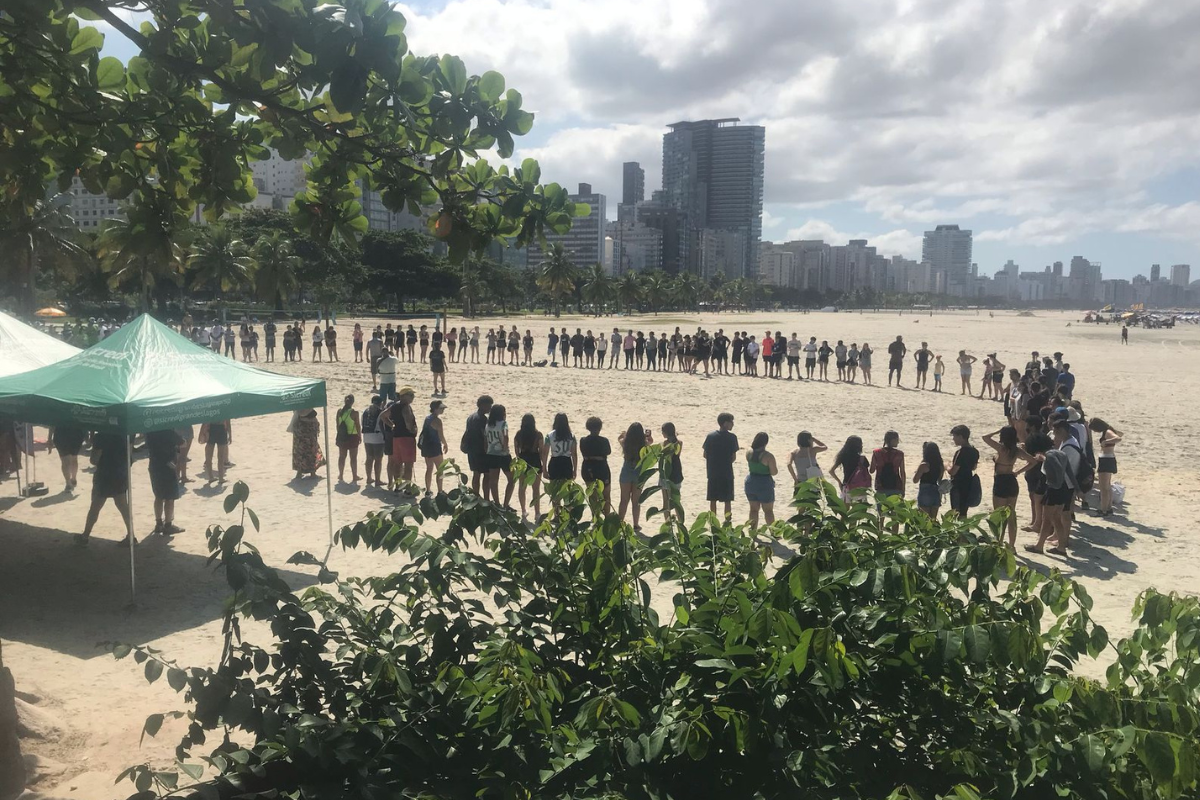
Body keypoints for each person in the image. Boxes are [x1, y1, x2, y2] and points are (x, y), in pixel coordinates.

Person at [1027, 420, 1081, 555]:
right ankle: (1061, 547)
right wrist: (1078, 489)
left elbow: (1056, 468)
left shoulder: (1049, 456)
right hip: (1063, 489)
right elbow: (1069, 472)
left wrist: (1045, 460)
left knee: (1047, 519)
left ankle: (1039, 546)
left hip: (1053, 489)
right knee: (1056, 519)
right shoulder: (1061, 453)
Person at [77, 432, 133, 545]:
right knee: (123, 506)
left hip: (104, 475)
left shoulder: (101, 436)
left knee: (95, 507)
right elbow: (129, 458)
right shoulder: (125, 434)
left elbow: (94, 460)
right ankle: (131, 535)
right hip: (120, 474)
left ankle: (85, 536)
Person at [982, 426, 1032, 548]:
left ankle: (999, 541)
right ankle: (1012, 545)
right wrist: (1018, 472)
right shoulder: (1017, 450)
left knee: (999, 515)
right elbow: (1033, 461)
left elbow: (985, 437)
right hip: (1011, 480)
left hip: (1001, 481)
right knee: (1011, 515)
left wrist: (997, 431)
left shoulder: (1001, 448)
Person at [146, 428, 184, 536]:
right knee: (169, 497)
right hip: (168, 466)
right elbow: (183, 443)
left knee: (158, 496)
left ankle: (158, 523)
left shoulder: (150, 432)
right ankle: (168, 525)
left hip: (154, 465)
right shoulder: (168, 431)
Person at [616, 423, 652, 530]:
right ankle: (636, 524)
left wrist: (624, 434)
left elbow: (619, 438)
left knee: (624, 500)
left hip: (626, 471)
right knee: (636, 502)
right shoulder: (644, 444)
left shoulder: (625, 443)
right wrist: (647, 436)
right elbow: (650, 441)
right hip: (639, 472)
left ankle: (620, 522)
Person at [702, 413, 739, 520]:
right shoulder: (732, 438)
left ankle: (713, 521)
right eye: (731, 422)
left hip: (712, 472)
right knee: (727, 500)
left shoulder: (711, 436)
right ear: (725, 423)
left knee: (713, 499)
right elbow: (733, 457)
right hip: (727, 473)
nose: (732, 424)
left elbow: (705, 454)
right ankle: (727, 521)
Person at [1021, 416, 1054, 535]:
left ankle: (1036, 522)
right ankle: (1037, 522)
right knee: (1041, 499)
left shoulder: (1031, 439)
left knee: (1034, 498)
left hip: (1033, 471)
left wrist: (1023, 450)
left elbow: (1030, 458)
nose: (1025, 427)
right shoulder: (1046, 438)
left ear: (1033, 426)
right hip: (1045, 470)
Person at [384, 388, 418, 491]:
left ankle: (398, 487)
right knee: (408, 465)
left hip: (396, 437)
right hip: (407, 438)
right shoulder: (406, 407)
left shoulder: (394, 406)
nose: (413, 397)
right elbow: (408, 423)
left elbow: (383, 416)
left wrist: (393, 425)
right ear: (404, 396)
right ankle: (407, 489)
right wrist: (413, 430)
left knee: (397, 464)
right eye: (410, 395)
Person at [543, 413, 578, 509]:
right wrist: (575, 469)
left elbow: (545, 453)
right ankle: (567, 512)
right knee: (567, 490)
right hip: (566, 463)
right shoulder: (572, 436)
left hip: (555, 462)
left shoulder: (549, 436)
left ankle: (556, 513)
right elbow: (574, 454)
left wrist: (544, 468)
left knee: (555, 491)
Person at [743, 432, 778, 530]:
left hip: (751, 481)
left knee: (753, 510)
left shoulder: (749, 452)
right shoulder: (768, 456)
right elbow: (774, 472)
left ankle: (753, 531)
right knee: (768, 511)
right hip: (764, 483)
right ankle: (773, 532)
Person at [482, 403, 515, 506]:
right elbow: (505, 435)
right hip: (503, 455)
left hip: (491, 454)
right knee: (512, 479)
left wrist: (487, 450)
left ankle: (497, 503)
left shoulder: (488, 425)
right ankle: (505, 504)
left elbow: (485, 439)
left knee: (493, 481)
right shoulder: (503, 424)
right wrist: (505, 447)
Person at [514, 414, 544, 521]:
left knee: (522, 487)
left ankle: (523, 510)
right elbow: (541, 450)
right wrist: (543, 463)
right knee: (536, 489)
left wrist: (519, 459)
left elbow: (516, 450)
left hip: (523, 460)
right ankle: (537, 512)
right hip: (535, 460)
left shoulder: (518, 434)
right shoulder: (538, 434)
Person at [1090, 418, 1123, 516]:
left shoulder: (1108, 432)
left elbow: (1118, 438)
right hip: (1108, 458)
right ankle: (1108, 508)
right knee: (1107, 486)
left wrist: (1106, 441)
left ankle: (1103, 509)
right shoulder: (1109, 430)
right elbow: (1120, 434)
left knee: (1103, 487)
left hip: (1106, 459)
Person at [579, 416, 613, 511]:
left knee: (592, 496)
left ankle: (594, 515)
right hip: (602, 468)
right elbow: (608, 452)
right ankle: (606, 516)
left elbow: (583, 452)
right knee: (606, 496)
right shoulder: (604, 441)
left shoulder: (583, 440)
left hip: (588, 468)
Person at [461, 395, 493, 493]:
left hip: (471, 449)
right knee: (487, 474)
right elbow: (485, 436)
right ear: (483, 405)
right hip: (481, 450)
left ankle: (476, 496)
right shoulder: (482, 419)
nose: (490, 408)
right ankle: (486, 497)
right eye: (489, 405)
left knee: (476, 474)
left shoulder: (471, 417)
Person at [948, 425, 980, 518]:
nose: (953, 439)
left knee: (956, 512)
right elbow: (973, 467)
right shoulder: (975, 451)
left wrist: (947, 466)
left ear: (961, 437)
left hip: (958, 485)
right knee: (963, 511)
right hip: (968, 483)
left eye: (955, 436)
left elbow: (953, 471)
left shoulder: (961, 452)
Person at [870, 431, 906, 503]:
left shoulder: (876, 453)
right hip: (896, 486)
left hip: (880, 486)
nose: (898, 442)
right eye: (897, 440)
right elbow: (902, 473)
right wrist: (903, 489)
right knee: (895, 509)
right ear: (893, 440)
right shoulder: (899, 454)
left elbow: (871, 471)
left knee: (881, 509)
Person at [911, 442, 944, 519]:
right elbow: (940, 479)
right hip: (936, 491)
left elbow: (915, 480)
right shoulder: (940, 466)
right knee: (933, 519)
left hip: (925, 491)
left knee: (924, 519)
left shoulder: (924, 465)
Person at [832, 436, 871, 502]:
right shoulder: (862, 459)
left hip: (847, 485)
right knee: (860, 508)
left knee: (845, 508)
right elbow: (866, 473)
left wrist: (839, 482)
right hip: (860, 488)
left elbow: (831, 471)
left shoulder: (843, 457)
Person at [49, 424, 86, 492]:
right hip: (76, 432)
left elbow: (52, 423)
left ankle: (68, 483)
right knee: (74, 458)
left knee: (65, 461)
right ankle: (74, 479)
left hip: (61, 433)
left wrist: (49, 437)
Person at [659, 422, 684, 517]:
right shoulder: (679, 443)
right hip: (677, 471)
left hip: (667, 471)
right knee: (676, 501)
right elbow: (677, 455)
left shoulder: (665, 443)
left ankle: (667, 522)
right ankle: (680, 521)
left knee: (666, 501)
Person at [335, 394, 361, 483]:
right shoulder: (354, 413)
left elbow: (337, 425)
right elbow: (357, 426)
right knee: (353, 457)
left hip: (342, 436)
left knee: (342, 457)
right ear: (352, 402)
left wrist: (340, 434)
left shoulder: (339, 412)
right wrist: (359, 436)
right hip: (352, 436)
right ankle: (354, 476)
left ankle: (341, 475)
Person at [361, 395, 386, 487]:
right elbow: (382, 424)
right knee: (378, 459)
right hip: (377, 437)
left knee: (369, 458)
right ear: (381, 403)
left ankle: (369, 478)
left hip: (366, 436)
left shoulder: (365, 411)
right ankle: (377, 480)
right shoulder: (381, 412)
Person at [291, 409, 323, 480]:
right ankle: (312, 472)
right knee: (311, 448)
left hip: (301, 424)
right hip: (309, 424)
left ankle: (300, 472)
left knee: (300, 449)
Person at [200, 419, 231, 484]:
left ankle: (211, 477)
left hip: (213, 428)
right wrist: (230, 435)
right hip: (220, 429)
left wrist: (201, 432)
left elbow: (205, 419)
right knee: (220, 456)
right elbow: (228, 422)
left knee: (209, 455)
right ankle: (220, 478)